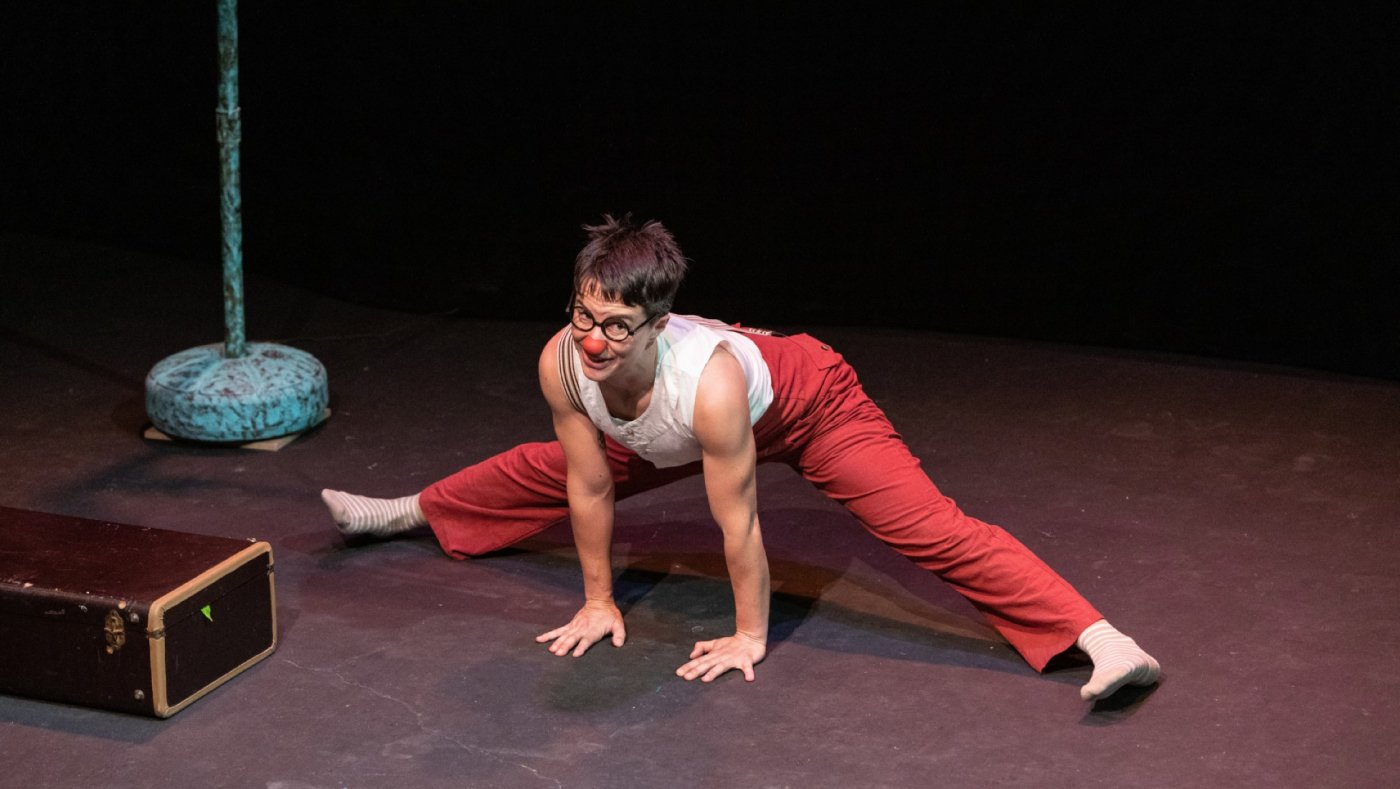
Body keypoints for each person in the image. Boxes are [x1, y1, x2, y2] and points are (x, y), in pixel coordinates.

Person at [321, 214, 1160, 700]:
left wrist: (750, 635)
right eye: (583, 316)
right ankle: (407, 510)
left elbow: (739, 524)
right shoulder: (565, 360)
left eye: (617, 326)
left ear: (658, 324)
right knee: (546, 467)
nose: (594, 339)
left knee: (927, 527)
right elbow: (585, 483)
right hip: (679, 417)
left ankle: (1103, 638)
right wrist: (598, 601)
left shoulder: (710, 384)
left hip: (808, 406)